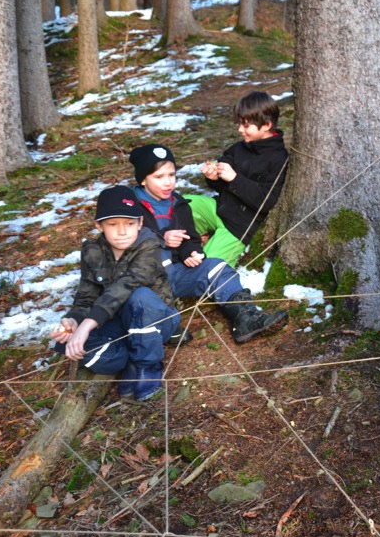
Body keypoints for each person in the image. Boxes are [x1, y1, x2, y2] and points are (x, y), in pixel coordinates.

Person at [128, 144, 289, 344]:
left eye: (172, 175)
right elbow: (122, 242)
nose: (168, 182)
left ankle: (247, 318)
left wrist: (191, 252)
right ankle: (162, 327)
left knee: (217, 267)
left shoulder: (178, 202)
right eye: (159, 177)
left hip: (177, 274)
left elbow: (190, 238)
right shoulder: (129, 205)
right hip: (145, 279)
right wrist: (161, 239)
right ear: (143, 179)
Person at [50, 185, 180, 401]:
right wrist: (74, 320)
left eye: (129, 223)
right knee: (68, 342)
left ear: (140, 223)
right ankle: (128, 359)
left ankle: (148, 364)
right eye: (112, 224)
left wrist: (87, 324)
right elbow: (86, 296)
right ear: (99, 225)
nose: (122, 231)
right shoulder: (92, 250)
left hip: (157, 319)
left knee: (139, 296)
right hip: (118, 321)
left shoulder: (149, 245)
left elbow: (127, 284)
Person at [186, 91, 289, 266]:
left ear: (266, 125)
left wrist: (234, 179)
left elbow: (268, 202)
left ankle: (209, 252)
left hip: (241, 228)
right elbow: (222, 183)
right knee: (184, 205)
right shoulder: (239, 148)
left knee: (208, 267)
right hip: (220, 209)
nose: (240, 130)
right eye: (239, 124)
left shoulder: (279, 160)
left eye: (246, 126)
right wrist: (213, 177)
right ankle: (190, 243)